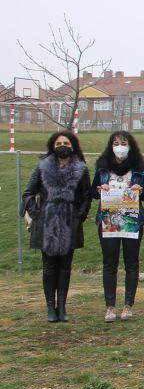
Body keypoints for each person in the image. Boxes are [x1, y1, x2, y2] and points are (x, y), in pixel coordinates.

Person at [21, 131, 92, 323]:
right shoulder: (42, 167)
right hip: (47, 223)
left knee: (65, 268)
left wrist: (79, 217)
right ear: (53, 145)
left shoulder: (81, 168)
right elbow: (28, 193)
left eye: (66, 142)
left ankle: (62, 307)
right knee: (49, 267)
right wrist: (38, 215)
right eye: (59, 142)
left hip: (70, 222)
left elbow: (86, 196)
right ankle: (50, 307)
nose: (63, 145)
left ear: (73, 145)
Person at [91, 131, 144, 322]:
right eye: (116, 143)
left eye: (123, 143)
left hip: (132, 220)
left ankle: (128, 305)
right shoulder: (102, 168)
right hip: (108, 220)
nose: (119, 146)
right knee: (110, 263)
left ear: (130, 145)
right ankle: (110, 306)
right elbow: (92, 191)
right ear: (111, 146)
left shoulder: (140, 168)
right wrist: (100, 189)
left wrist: (140, 190)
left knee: (131, 262)